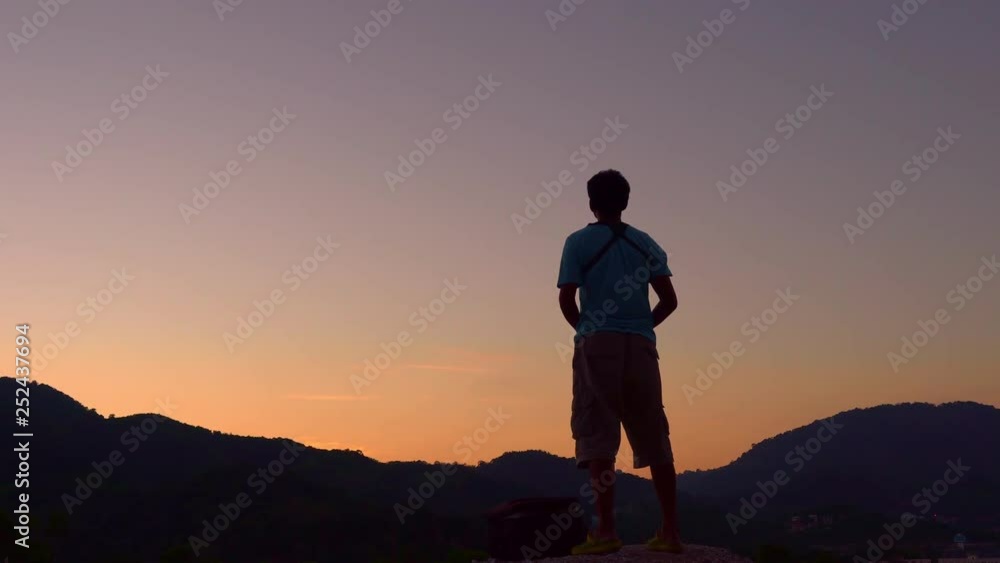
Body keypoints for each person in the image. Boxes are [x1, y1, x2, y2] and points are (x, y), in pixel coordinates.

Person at [556, 169, 682, 555]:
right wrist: (642, 325)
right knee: (654, 437)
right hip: (641, 346)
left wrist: (589, 331)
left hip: (598, 344)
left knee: (598, 434)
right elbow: (670, 301)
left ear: (591, 203)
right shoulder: (646, 244)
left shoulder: (577, 241)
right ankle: (670, 533)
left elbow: (566, 299)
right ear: (626, 202)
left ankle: (607, 531)